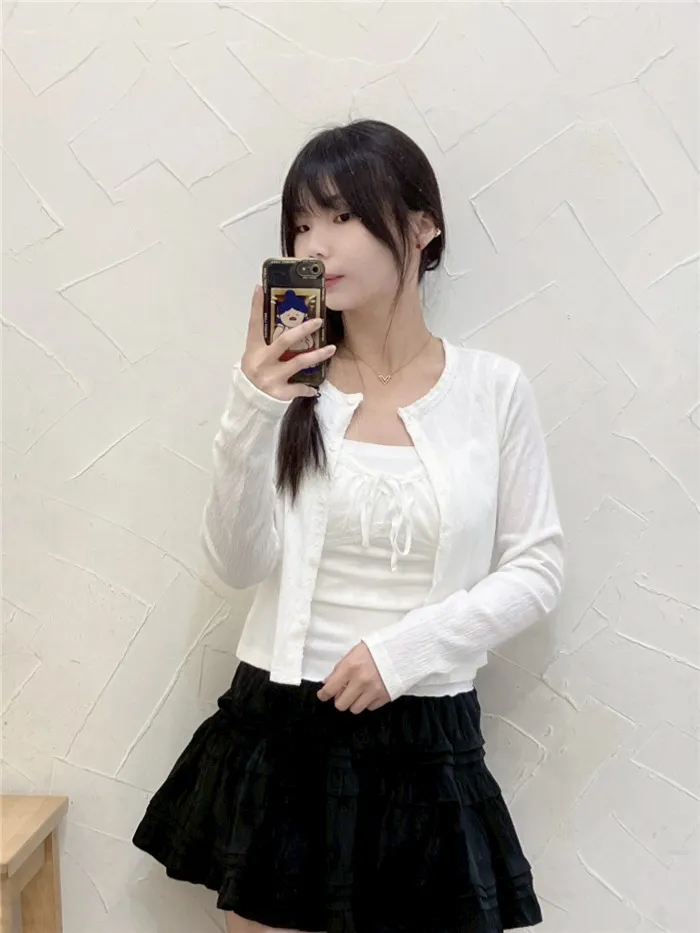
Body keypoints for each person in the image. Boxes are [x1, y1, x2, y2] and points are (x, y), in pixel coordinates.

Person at [132, 119, 565, 933]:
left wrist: (406, 651)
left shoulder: (493, 390)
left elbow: (537, 567)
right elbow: (237, 560)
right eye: (300, 223)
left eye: (341, 215)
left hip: (426, 737)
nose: (316, 243)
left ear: (422, 226)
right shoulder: (292, 390)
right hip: (283, 728)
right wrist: (253, 405)